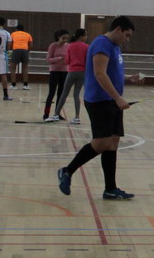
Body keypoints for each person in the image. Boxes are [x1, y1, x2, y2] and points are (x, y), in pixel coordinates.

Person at [56, 17, 141, 200]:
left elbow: (111, 72)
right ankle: (67, 170)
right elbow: (99, 74)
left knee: (113, 142)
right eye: (126, 35)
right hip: (100, 101)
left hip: (111, 101)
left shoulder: (115, 47)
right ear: (118, 29)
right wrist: (118, 98)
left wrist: (127, 78)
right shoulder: (102, 44)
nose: (127, 39)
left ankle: (110, 188)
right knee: (102, 142)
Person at [53, 28, 87, 124]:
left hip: (72, 71)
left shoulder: (70, 46)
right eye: (85, 35)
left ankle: (56, 114)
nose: (86, 37)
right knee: (76, 95)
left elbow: (67, 60)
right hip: (82, 72)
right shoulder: (87, 47)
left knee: (64, 93)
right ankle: (77, 117)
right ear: (81, 36)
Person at [43, 29, 70, 121]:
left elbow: (69, 59)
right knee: (51, 93)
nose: (65, 40)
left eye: (66, 38)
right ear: (59, 37)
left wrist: (67, 60)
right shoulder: (53, 46)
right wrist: (59, 58)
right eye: (63, 38)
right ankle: (46, 114)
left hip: (64, 72)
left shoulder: (68, 46)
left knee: (61, 94)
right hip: (54, 71)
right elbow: (48, 59)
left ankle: (57, 113)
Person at [9, 22, 34, 90]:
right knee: (25, 68)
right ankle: (25, 85)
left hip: (16, 50)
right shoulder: (28, 34)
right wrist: (27, 51)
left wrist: (10, 49)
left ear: (17, 29)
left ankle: (13, 85)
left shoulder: (13, 33)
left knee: (13, 68)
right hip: (25, 50)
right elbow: (31, 45)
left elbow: (10, 43)